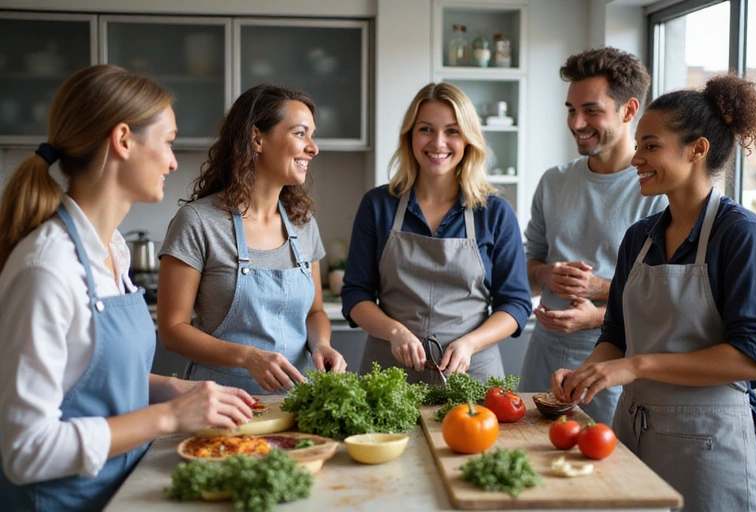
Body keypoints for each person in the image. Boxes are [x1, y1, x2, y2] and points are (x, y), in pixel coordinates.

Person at [0, 65, 255, 512]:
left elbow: (91, 379)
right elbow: (26, 450)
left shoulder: (112, 248)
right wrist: (170, 417)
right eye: (169, 140)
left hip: (120, 491)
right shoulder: (47, 269)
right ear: (122, 140)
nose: (174, 161)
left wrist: (173, 390)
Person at [552, 74, 756, 512]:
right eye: (639, 146)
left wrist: (637, 366)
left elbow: (751, 358)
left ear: (697, 149)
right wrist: (585, 374)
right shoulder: (640, 237)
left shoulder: (741, 235)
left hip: (710, 449)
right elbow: (615, 334)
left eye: (650, 145)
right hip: (633, 435)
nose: (636, 158)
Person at [157, 84, 346, 395]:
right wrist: (247, 357)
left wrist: (322, 344)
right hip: (223, 403)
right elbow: (172, 331)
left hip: (299, 403)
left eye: (312, 135)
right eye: (301, 134)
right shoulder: (198, 222)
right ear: (257, 138)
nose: (313, 148)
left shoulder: (303, 224)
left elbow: (315, 312)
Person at [341, 82, 532, 385]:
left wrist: (470, 343)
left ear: (469, 139)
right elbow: (355, 295)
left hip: (472, 376)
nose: (438, 143)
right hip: (389, 376)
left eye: (452, 131)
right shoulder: (377, 206)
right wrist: (396, 332)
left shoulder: (494, 212)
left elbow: (516, 304)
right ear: (410, 136)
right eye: (426, 129)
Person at [517, 47, 667, 424]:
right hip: (542, 356)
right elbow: (529, 259)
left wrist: (598, 298)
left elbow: (662, 302)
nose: (576, 122)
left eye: (591, 111)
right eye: (571, 109)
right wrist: (545, 275)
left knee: (602, 472)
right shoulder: (553, 181)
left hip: (610, 363)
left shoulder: (655, 192)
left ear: (629, 110)